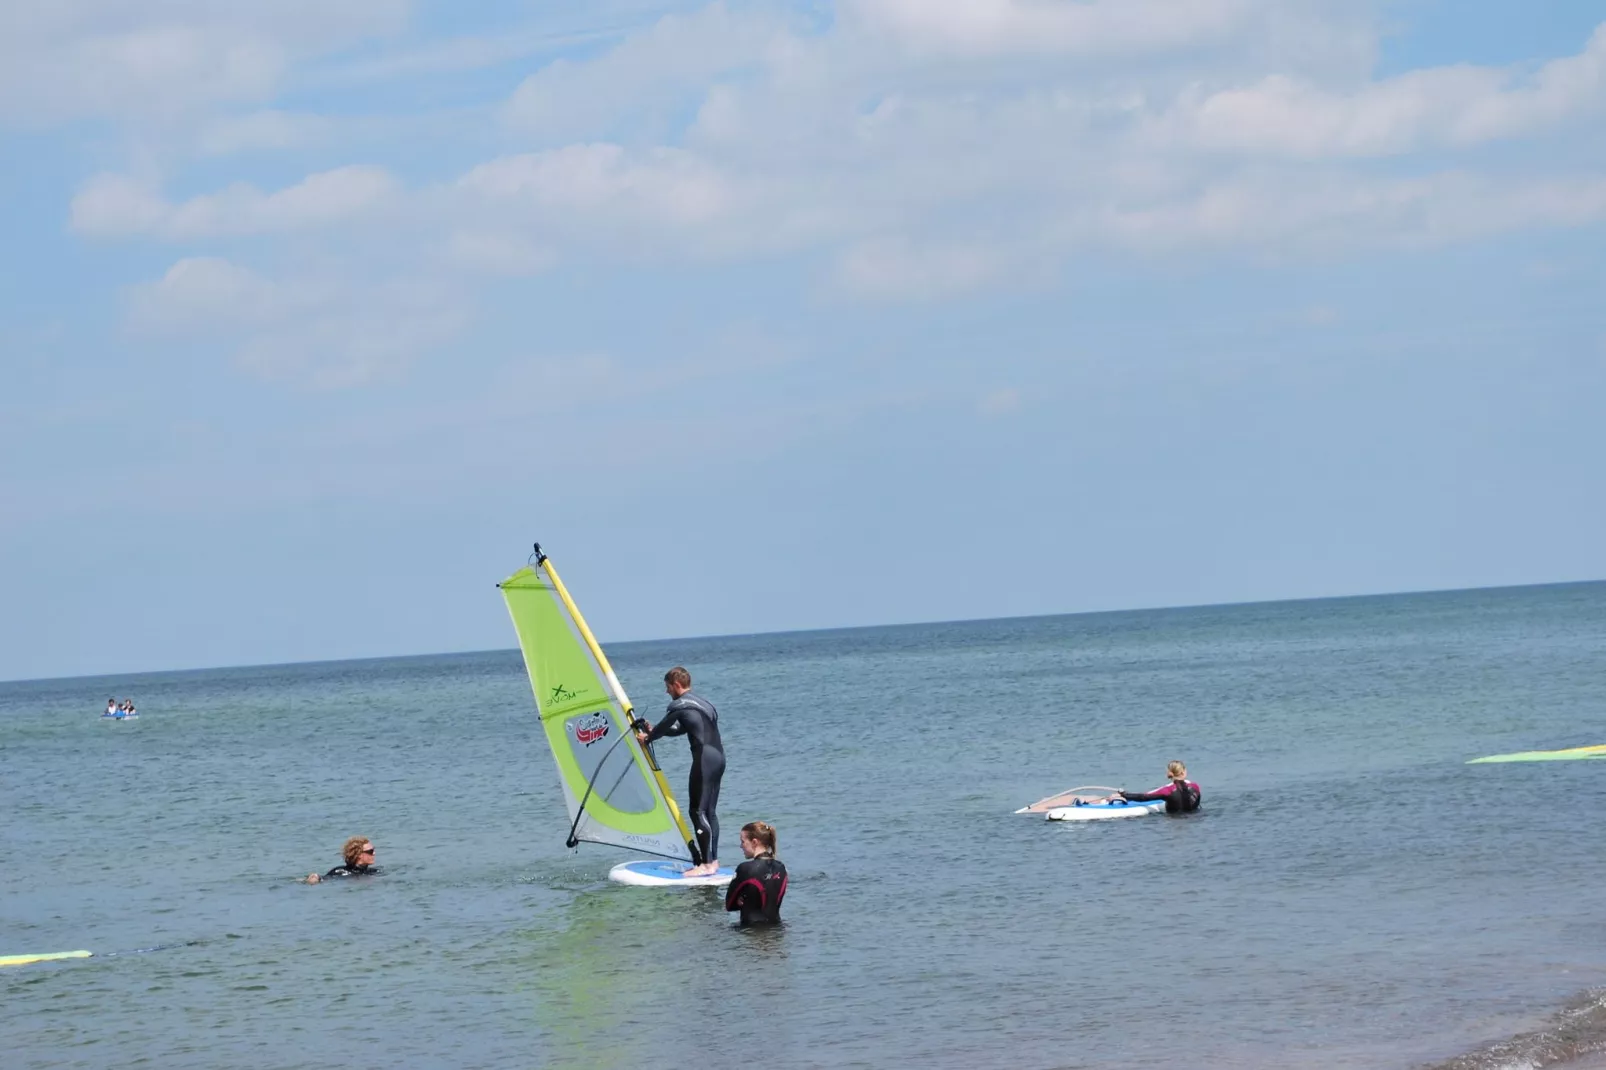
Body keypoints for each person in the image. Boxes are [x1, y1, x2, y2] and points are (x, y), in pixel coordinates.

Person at [635, 666, 725, 878]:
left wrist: (647, 738)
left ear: (676, 685)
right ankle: (713, 861)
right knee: (709, 811)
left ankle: (704, 864)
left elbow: (662, 728)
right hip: (719, 758)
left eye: (668, 687)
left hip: (703, 759)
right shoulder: (703, 704)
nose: (667, 692)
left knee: (697, 811)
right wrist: (652, 729)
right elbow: (678, 729)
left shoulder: (678, 705)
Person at [725, 821, 787, 926]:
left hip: (750, 931)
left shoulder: (745, 868)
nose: (741, 846)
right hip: (777, 930)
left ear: (754, 842)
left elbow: (730, 905)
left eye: (743, 842)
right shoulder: (781, 867)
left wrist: (743, 898)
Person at [1106, 760, 1201, 814]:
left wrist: (1124, 795)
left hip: (1174, 820)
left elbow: (1143, 797)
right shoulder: (1195, 786)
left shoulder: (1167, 790)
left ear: (1169, 774)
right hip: (1194, 818)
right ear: (1184, 772)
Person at [305, 837, 380, 883]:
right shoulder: (340, 871)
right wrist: (315, 878)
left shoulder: (374, 871)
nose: (374, 853)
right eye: (370, 851)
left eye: (373, 850)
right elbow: (322, 879)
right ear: (358, 855)